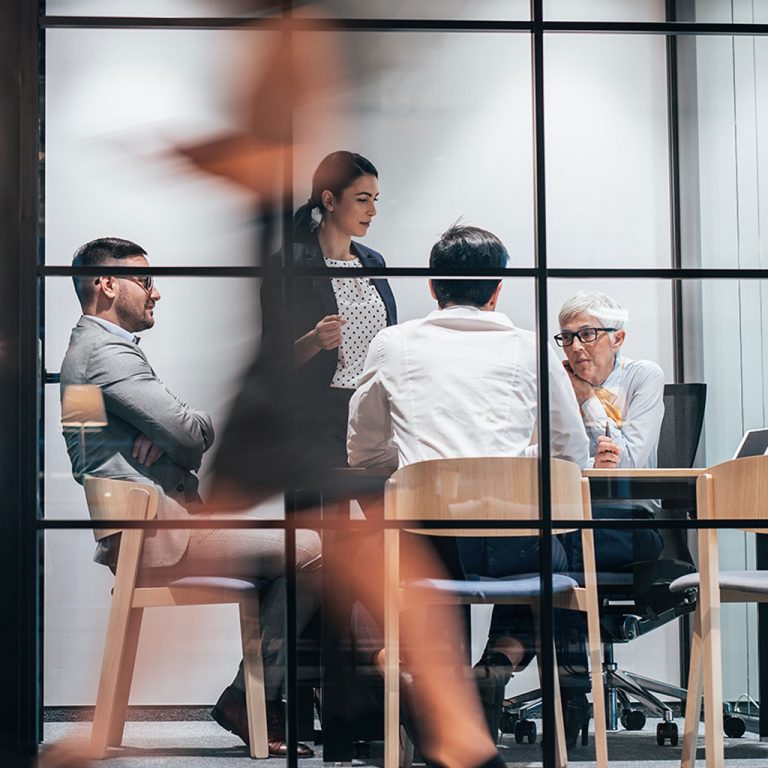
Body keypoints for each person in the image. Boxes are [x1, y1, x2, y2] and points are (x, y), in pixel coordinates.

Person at [59, 237, 321, 758]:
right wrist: (177, 437)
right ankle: (251, 699)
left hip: (143, 532)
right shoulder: (108, 354)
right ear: (107, 284)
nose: (157, 293)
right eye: (146, 280)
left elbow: (88, 452)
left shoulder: (83, 351)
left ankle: (256, 697)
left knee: (298, 545)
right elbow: (192, 432)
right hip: (160, 535)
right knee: (314, 547)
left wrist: (168, 439)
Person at [347, 224, 590, 739]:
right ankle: (501, 663)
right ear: (499, 288)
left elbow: (363, 454)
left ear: (433, 286)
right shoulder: (532, 348)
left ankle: (431, 676)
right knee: (564, 557)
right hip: (517, 546)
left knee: (371, 555)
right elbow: (570, 454)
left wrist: (421, 464)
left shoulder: (393, 343)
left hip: (426, 545)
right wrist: (515, 460)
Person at [551, 289, 666, 745]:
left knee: (549, 557)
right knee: (547, 551)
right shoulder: (552, 380)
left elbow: (630, 460)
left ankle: (517, 665)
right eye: (567, 338)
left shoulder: (642, 376)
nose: (577, 348)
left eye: (588, 335)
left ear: (617, 338)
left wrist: (585, 401)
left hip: (630, 524)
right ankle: (567, 687)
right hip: (572, 521)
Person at [260, 150, 397, 467]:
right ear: (330, 200)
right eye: (363, 199)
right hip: (322, 413)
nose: (373, 211)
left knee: (389, 512)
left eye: (375, 199)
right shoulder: (290, 265)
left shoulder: (373, 261)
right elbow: (270, 361)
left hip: (375, 409)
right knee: (332, 515)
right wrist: (314, 340)